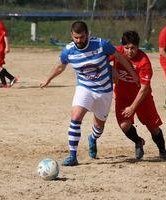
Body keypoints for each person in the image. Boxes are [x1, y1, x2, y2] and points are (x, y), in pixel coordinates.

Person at [40, 21, 139, 166]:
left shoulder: (101, 44)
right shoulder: (68, 50)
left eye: (81, 37)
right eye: (76, 37)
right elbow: (61, 66)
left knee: (99, 127)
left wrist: (133, 73)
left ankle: (93, 138)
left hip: (104, 91)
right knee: (75, 117)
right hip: (84, 88)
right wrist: (48, 79)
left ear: (87, 34)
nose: (79, 41)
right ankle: (72, 156)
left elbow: (119, 56)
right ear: (71, 36)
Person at [110, 30, 166, 161]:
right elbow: (100, 59)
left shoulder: (144, 61)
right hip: (122, 97)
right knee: (124, 125)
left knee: (153, 127)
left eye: (132, 48)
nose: (129, 51)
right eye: (126, 48)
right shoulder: (117, 52)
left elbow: (144, 89)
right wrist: (111, 69)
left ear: (138, 47)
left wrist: (133, 107)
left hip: (143, 98)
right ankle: (138, 141)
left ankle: (163, 151)